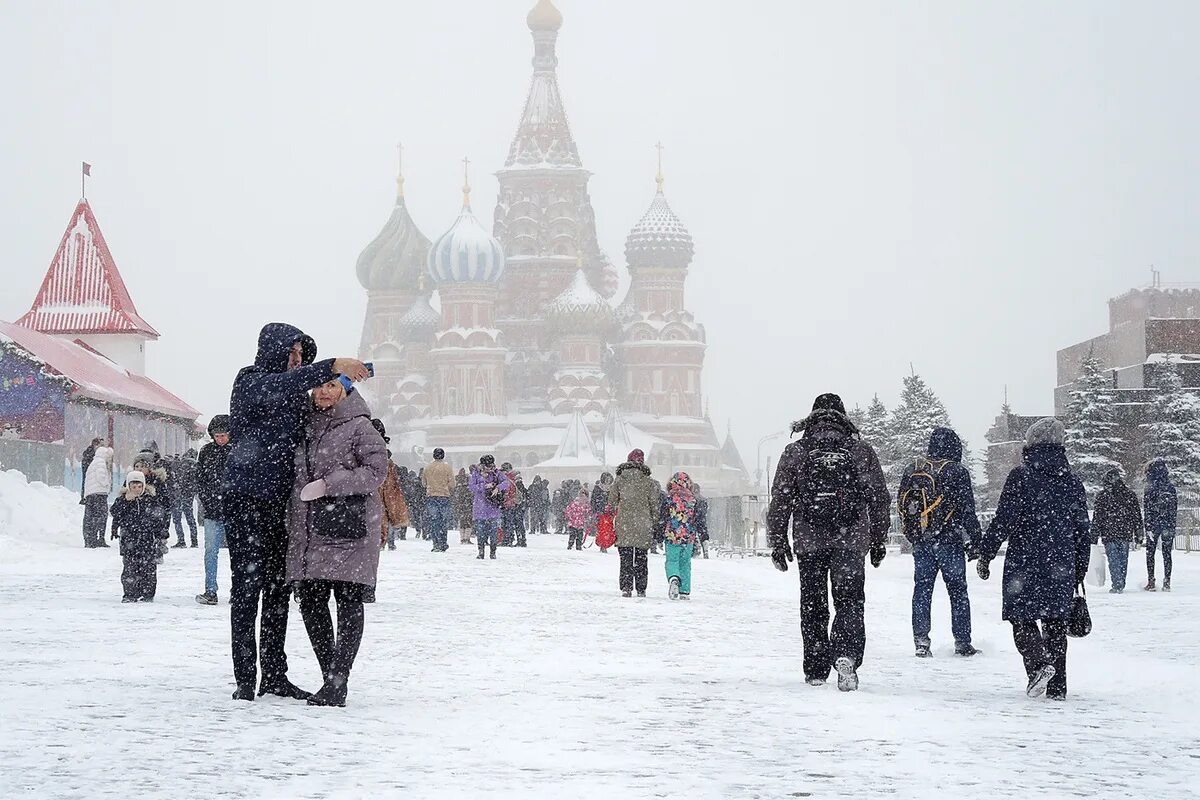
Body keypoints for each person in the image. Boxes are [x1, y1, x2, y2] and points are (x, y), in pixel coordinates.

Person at [223, 321, 368, 702]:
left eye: (302, 357)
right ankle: (244, 677)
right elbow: (281, 385)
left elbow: (328, 412)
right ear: (274, 350)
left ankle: (273, 674)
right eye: (293, 354)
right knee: (246, 590)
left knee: (278, 590)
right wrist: (333, 364)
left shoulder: (294, 396)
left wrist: (348, 397)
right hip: (246, 500)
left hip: (279, 503)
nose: (297, 361)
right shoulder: (251, 381)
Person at [767, 393, 890, 692]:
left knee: (813, 604)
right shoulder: (860, 451)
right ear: (843, 417)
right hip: (850, 539)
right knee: (849, 600)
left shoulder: (796, 451)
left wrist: (778, 541)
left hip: (810, 540)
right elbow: (878, 497)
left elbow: (781, 498)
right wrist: (877, 539)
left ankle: (816, 668)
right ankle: (846, 655)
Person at [286, 376, 388, 707]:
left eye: (333, 386)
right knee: (312, 603)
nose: (325, 392)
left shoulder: (360, 426)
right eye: (319, 386)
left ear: (345, 390)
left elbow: (376, 472)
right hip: (310, 528)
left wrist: (331, 484)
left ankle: (338, 680)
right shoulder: (303, 425)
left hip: (349, 527)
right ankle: (330, 677)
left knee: (347, 601)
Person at [977, 418, 1090, 701]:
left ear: (1031, 445)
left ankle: (1039, 666)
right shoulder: (1073, 482)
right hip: (1061, 562)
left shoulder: (1020, 477)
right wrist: (1079, 569)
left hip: (1024, 562)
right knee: (1055, 625)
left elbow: (1003, 520)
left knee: (1021, 618)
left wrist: (986, 553)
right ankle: (1058, 688)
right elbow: (1081, 529)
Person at [897, 427, 981, 658]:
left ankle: (921, 642)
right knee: (957, 591)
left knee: (922, 590)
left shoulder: (913, 469)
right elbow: (967, 510)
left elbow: (903, 505)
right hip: (949, 539)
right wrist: (976, 540)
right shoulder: (956, 471)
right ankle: (962, 642)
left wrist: (914, 532)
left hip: (922, 540)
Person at [110, 470, 171, 602]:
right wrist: (125, 502)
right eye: (133, 487)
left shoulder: (150, 500)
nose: (137, 490)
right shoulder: (122, 501)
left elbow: (159, 518)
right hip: (129, 540)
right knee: (130, 568)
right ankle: (130, 593)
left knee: (148, 568)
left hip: (147, 540)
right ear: (128, 487)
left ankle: (147, 593)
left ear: (144, 486)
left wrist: (162, 533)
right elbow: (115, 513)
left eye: (139, 487)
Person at [610, 449, 659, 597]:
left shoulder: (619, 479)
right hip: (643, 524)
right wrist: (654, 521)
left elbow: (611, 501)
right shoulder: (648, 481)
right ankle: (641, 588)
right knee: (641, 558)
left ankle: (626, 587)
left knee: (625, 557)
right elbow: (654, 504)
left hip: (624, 523)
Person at [196, 416, 233, 605]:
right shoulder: (206, 452)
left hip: (234, 511)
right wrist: (207, 500)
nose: (220, 439)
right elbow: (200, 479)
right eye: (217, 436)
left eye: (224, 435)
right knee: (211, 552)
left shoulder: (238, 451)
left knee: (237, 552)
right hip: (212, 511)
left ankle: (237, 589)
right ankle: (211, 590)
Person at [1092, 468, 1142, 594]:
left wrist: (1094, 535)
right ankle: (1120, 582)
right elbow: (1136, 516)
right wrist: (1138, 533)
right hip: (1125, 532)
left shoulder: (1102, 496)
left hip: (1109, 532)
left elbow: (1097, 518)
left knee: (1113, 559)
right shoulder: (1129, 495)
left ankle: (1117, 582)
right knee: (1123, 559)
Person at [372, 419, 411, 551]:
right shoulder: (386, 463)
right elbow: (390, 492)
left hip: (351, 514)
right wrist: (396, 516)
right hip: (376, 511)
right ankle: (389, 542)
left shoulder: (350, 452)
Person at [1143, 459, 1178, 592]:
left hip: (1154, 524)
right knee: (1167, 553)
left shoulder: (1150, 487)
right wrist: (1172, 525)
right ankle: (1167, 581)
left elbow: (1147, 509)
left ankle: (1151, 580)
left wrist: (1148, 526)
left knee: (1150, 553)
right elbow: (1174, 509)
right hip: (1168, 524)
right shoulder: (1170, 487)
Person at [664, 471, 699, 600]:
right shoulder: (693, 500)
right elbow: (698, 519)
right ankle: (684, 590)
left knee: (672, 560)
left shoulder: (669, 498)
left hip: (672, 534)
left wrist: (658, 532)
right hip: (688, 536)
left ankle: (673, 578)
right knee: (685, 563)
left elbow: (663, 516)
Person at [469, 455, 511, 560]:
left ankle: (493, 552)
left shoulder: (497, 473)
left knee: (493, 532)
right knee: (480, 532)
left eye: (490, 465)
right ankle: (481, 551)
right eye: (486, 465)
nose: (488, 468)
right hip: (480, 508)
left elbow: (506, 483)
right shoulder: (476, 473)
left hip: (493, 507)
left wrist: (498, 487)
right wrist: (483, 486)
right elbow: (471, 487)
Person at [82, 442, 114, 548]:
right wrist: (107, 484)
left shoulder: (94, 462)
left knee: (90, 517)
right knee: (100, 516)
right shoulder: (100, 462)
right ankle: (98, 539)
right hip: (99, 494)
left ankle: (90, 538)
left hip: (91, 494)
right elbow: (101, 477)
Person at [422, 448, 453, 552]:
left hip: (431, 495)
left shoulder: (428, 467)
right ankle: (443, 542)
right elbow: (453, 483)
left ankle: (436, 543)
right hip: (444, 496)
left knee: (434, 521)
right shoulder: (447, 467)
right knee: (444, 521)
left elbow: (423, 483)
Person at [170, 448, 200, 548]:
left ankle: (181, 540)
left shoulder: (181, 463)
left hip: (178, 494)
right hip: (189, 495)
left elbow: (174, 476)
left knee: (177, 519)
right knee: (190, 518)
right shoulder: (196, 465)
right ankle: (194, 541)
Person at [452, 468, 474, 544]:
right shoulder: (468, 488)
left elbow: (454, 496)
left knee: (462, 522)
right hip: (468, 506)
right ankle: (467, 538)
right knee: (468, 522)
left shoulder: (457, 486)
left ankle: (462, 538)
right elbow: (471, 496)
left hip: (460, 506)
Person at [80, 436, 103, 503]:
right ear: (95, 444)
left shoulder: (90, 452)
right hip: (88, 471)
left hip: (88, 471)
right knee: (86, 482)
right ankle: (84, 498)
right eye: (100, 445)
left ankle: (84, 497)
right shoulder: (91, 453)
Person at [693, 483, 710, 559]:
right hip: (702, 519)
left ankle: (695, 548)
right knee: (703, 534)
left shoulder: (692, 498)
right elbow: (705, 510)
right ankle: (705, 548)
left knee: (692, 534)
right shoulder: (703, 499)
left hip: (693, 519)